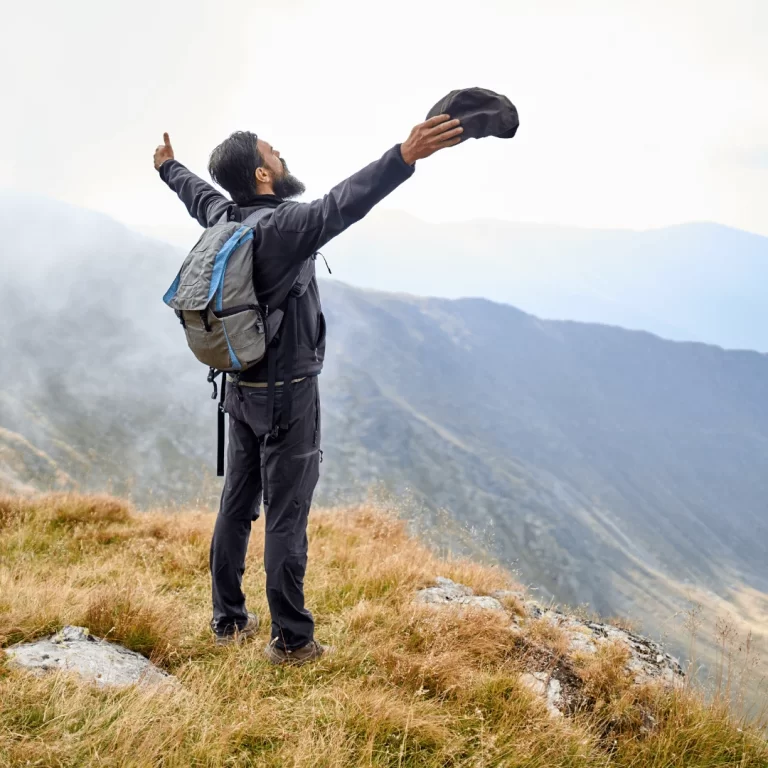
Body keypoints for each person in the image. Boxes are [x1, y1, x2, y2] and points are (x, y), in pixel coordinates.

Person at [153, 115, 463, 664]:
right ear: (262, 174)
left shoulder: (223, 216)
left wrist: (167, 168)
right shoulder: (285, 227)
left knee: (235, 507)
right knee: (285, 516)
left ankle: (227, 620)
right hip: (288, 397)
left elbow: (195, 194)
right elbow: (343, 203)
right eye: (274, 153)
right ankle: (292, 641)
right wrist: (404, 155)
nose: (282, 157)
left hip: (238, 389)